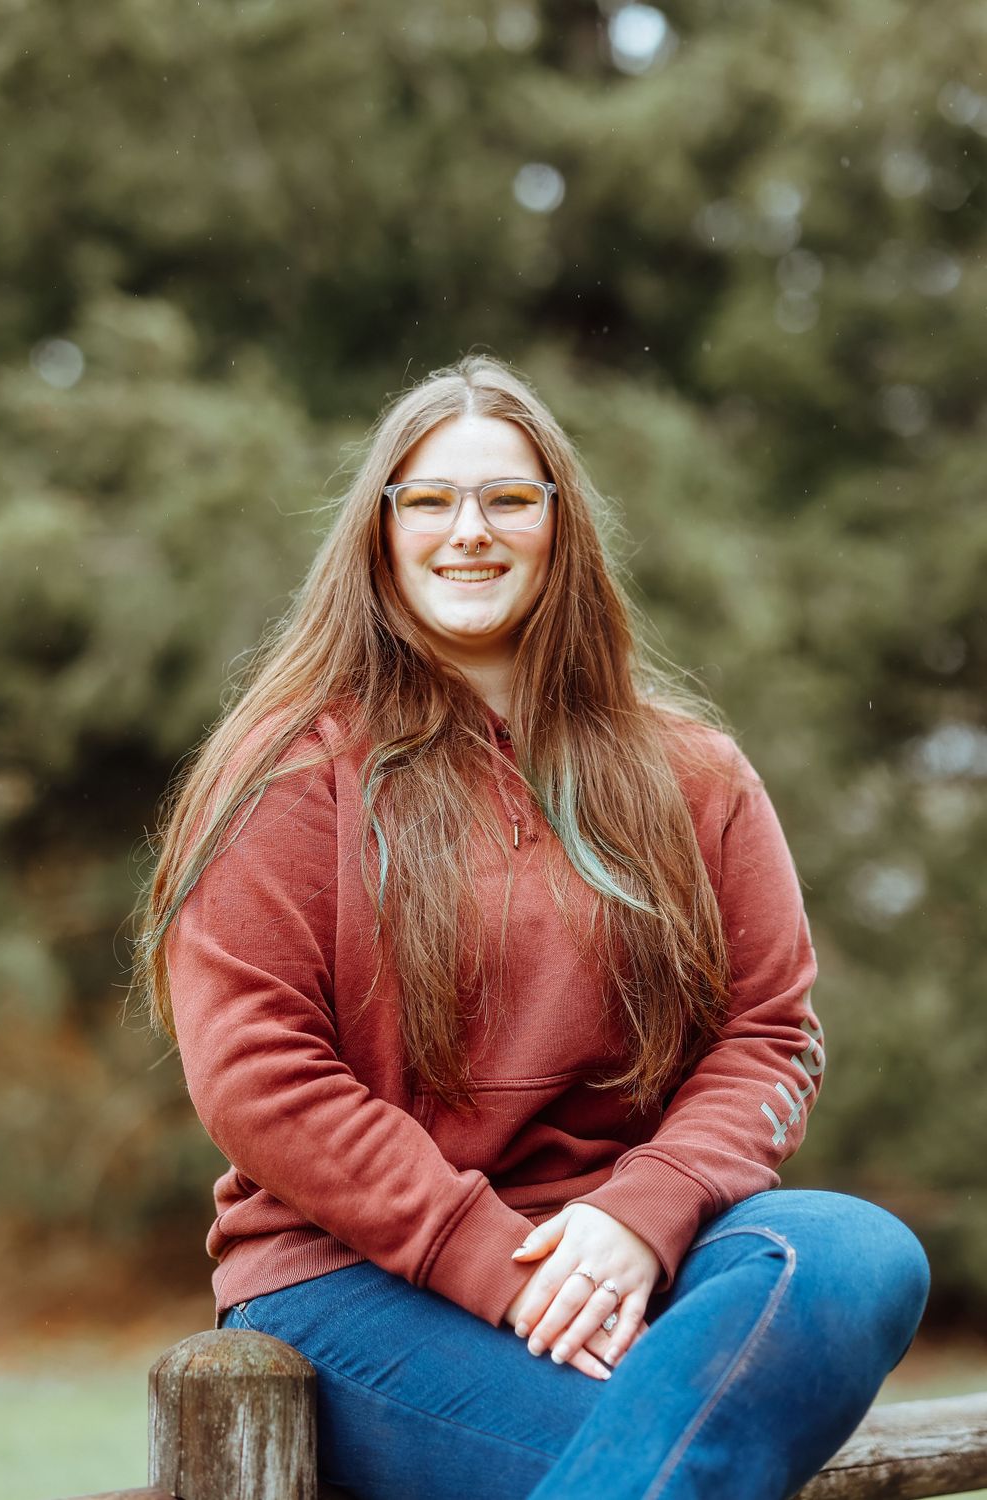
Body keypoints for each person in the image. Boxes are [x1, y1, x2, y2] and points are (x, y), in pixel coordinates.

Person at [139, 354, 930, 1500]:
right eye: (429, 500)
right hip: (361, 1280)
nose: (470, 531)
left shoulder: (691, 773)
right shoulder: (286, 773)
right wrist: (499, 1269)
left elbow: (768, 1035)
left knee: (853, 1253)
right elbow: (261, 1079)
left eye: (509, 498)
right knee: (662, 1451)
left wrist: (639, 1217)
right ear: (379, 532)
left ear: (562, 528)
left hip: (634, 1254)